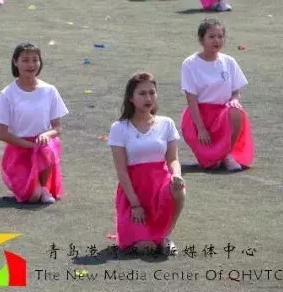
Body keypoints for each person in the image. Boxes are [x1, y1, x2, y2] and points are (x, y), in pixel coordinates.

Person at [109, 72, 185, 256]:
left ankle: (167, 234)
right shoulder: (119, 128)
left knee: (179, 189)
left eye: (152, 92)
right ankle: (145, 233)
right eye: (142, 94)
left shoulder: (166, 123)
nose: (148, 98)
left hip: (160, 187)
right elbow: (121, 171)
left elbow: (173, 159)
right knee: (146, 248)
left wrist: (176, 174)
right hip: (134, 192)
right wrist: (135, 204)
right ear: (131, 98)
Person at [0, 42, 69, 204]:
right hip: (19, 150)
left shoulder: (49, 90)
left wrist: (45, 136)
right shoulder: (7, 94)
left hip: (42, 148)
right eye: (25, 60)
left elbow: (57, 127)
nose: (31, 65)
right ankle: (31, 187)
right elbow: (2, 134)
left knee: (46, 146)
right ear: (15, 62)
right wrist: (29, 146)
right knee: (32, 197)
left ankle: (45, 187)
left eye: (35, 60)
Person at [180, 19, 254, 171]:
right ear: (202, 39)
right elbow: (191, 99)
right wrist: (200, 128)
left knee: (236, 110)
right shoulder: (190, 64)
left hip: (223, 114)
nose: (217, 40)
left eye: (220, 36)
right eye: (212, 37)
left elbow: (235, 90)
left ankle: (227, 154)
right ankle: (214, 156)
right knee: (211, 164)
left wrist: (234, 100)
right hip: (200, 115)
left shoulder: (229, 61)